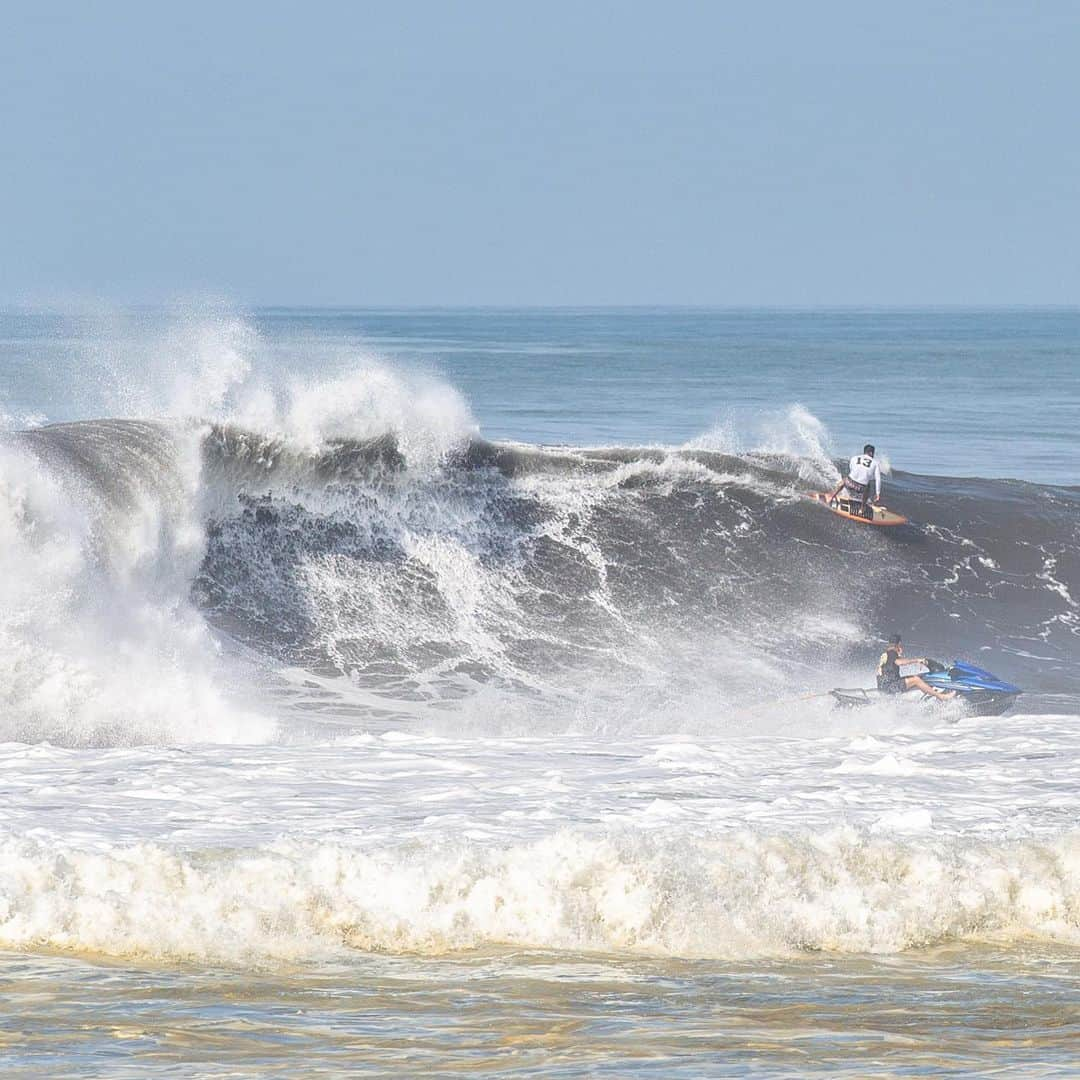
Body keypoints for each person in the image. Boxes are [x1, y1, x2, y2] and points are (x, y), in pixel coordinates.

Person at [877, 635, 956, 701]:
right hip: (890, 686)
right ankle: (941, 696)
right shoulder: (892, 653)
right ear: (898, 644)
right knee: (916, 680)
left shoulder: (885, 654)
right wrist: (917, 660)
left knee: (917, 677)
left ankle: (927, 692)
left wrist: (899, 655)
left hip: (885, 686)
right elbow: (899, 662)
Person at [829, 444, 882, 519]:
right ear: (871, 453)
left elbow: (852, 469)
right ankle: (862, 508)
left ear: (864, 452)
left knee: (844, 480)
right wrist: (878, 493)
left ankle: (832, 496)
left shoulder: (854, 458)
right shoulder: (875, 463)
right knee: (868, 486)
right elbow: (878, 479)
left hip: (849, 483)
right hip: (861, 488)